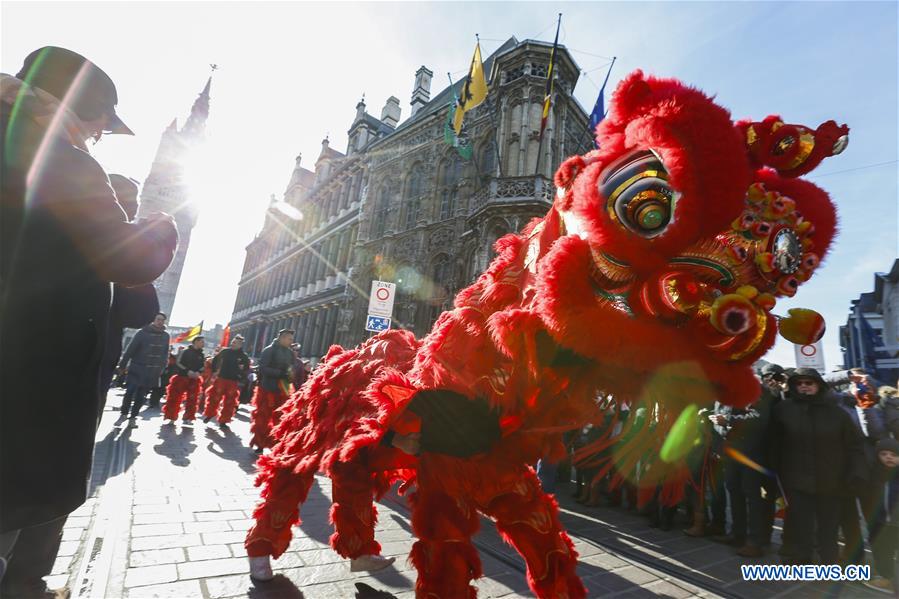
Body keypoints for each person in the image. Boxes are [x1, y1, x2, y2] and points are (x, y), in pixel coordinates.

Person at [0, 46, 177, 598]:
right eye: (99, 126)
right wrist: (156, 225)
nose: (97, 137)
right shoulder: (59, 157)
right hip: (30, 368)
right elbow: (130, 261)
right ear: (80, 109)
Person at [771, 368, 867, 565]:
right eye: (800, 383)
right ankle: (800, 559)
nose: (804, 386)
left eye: (809, 382)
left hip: (832, 481)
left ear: (818, 385)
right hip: (796, 481)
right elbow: (773, 445)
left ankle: (828, 563)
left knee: (828, 527)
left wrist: (856, 473)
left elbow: (855, 447)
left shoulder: (837, 413)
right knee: (800, 524)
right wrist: (771, 476)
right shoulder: (783, 410)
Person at [97, 175, 161, 412]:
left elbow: (140, 315)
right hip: (89, 356)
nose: (135, 209)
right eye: (130, 201)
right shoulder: (115, 248)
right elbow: (141, 314)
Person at [118, 313, 172, 425]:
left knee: (141, 396)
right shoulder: (142, 332)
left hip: (152, 371)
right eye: (158, 319)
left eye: (162, 320)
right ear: (153, 320)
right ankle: (123, 414)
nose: (160, 321)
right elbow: (130, 349)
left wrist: (162, 367)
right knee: (130, 392)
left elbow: (165, 353)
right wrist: (122, 365)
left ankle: (133, 417)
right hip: (137, 368)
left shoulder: (166, 336)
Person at [250, 330, 295, 452]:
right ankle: (259, 444)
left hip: (283, 391)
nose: (291, 341)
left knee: (280, 419)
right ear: (282, 338)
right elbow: (263, 368)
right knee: (263, 418)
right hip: (268, 389)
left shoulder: (290, 353)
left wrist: (290, 375)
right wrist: (280, 373)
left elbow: (291, 369)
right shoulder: (269, 350)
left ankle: (275, 444)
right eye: (290, 339)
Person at [864, 438, 899, 593]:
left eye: (893, 454)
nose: (888, 457)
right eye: (884, 454)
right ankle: (886, 579)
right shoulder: (875, 474)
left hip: (896, 523)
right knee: (881, 549)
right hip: (881, 521)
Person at [203, 335, 250, 427]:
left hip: (233, 381)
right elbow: (216, 360)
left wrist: (240, 375)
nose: (232, 344)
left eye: (235, 343)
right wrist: (215, 370)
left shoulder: (243, 356)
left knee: (230, 402)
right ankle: (210, 414)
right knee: (214, 397)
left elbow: (246, 368)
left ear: (240, 345)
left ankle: (224, 420)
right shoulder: (225, 351)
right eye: (232, 342)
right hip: (221, 378)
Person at [163, 336, 206, 424]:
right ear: (196, 342)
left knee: (192, 400)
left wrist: (198, 372)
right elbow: (178, 362)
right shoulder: (185, 351)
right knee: (175, 398)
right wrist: (187, 371)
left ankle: (188, 418)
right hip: (181, 377)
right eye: (202, 342)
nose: (203, 344)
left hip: (194, 379)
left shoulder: (202, 354)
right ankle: (171, 417)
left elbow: (203, 366)